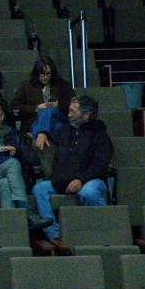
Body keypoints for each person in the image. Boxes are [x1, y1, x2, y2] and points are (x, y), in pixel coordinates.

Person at [32, 95, 113, 240]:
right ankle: (54, 236)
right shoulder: (65, 130)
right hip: (64, 179)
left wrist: (80, 179)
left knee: (89, 192)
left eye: (72, 112)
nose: (68, 115)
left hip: (90, 179)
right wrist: (41, 133)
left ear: (86, 115)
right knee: (39, 189)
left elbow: (100, 164)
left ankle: (106, 231)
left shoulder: (100, 135)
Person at [0, 100, 51, 232]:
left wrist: (17, 153)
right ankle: (26, 210)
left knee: (5, 183)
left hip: (11, 181)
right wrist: (5, 157)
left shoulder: (15, 135)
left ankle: (12, 235)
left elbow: (34, 161)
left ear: (2, 116)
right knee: (11, 163)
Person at [11, 55, 73, 134]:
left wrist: (59, 105)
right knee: (57, 126)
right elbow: (15, 106)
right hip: (36, 119)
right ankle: (43, 134)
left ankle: (41, 134)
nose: (45, 77)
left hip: (57, 117)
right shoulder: (26, 86)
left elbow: (73, 103)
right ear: (36, 73)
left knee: (49, 111)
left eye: (48, 74)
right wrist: (37, 108)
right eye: (42, 74)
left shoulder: (63, 85)